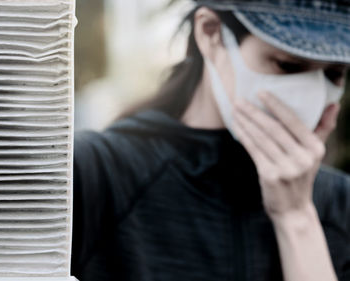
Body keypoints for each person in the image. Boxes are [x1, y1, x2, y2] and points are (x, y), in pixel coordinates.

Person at [71, 1, 350, 280]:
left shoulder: (340, 203)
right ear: (210, 32)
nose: (312, 94)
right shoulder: (95, 176)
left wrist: (297, 217)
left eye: (334, 74)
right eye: (287, 65)